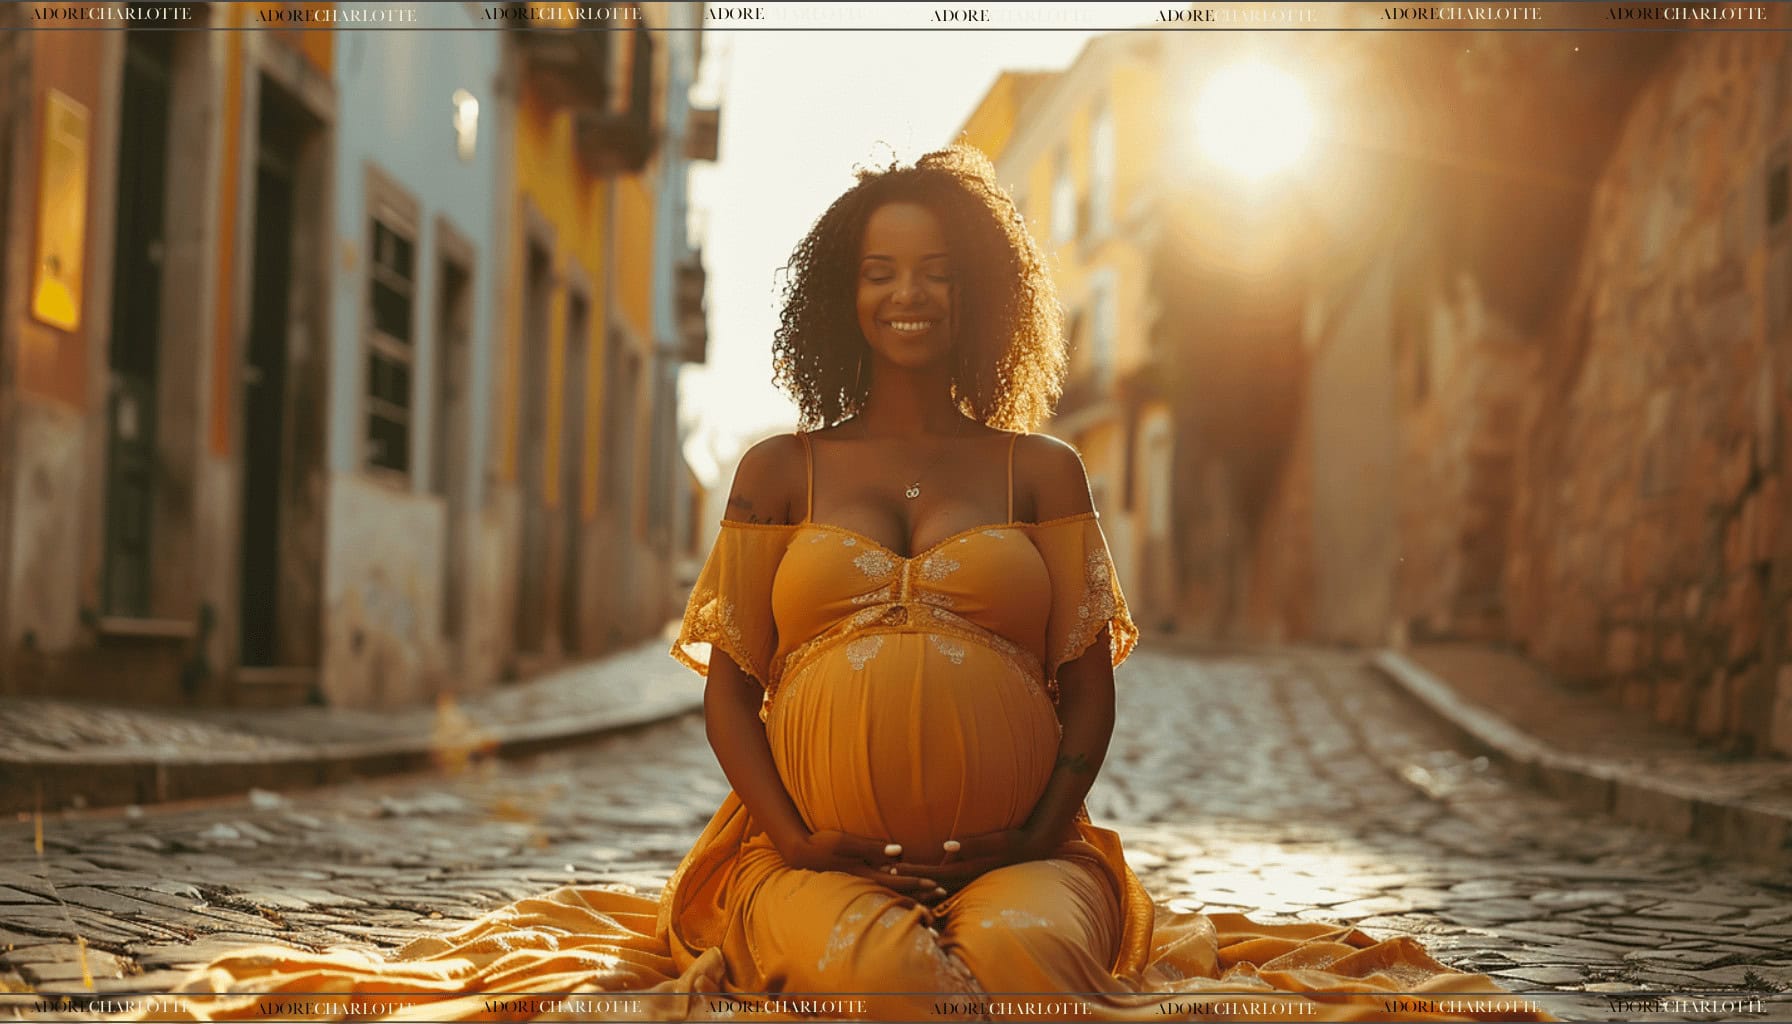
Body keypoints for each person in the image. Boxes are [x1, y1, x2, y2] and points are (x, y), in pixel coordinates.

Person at [154, 147, 1552, 1022]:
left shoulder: (1043, 473)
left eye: (936, 272)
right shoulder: (776, 473)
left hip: (1024, 858)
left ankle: (1018, 908)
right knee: (887, 990)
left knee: (1026, 976)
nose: (907, 296)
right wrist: (796, 838)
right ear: (845, 295)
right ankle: (824, 914)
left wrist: (1032, 834)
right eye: (880, 273)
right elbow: (733, 698)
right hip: (803, 856)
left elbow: (1087, 690)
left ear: (978, 293)